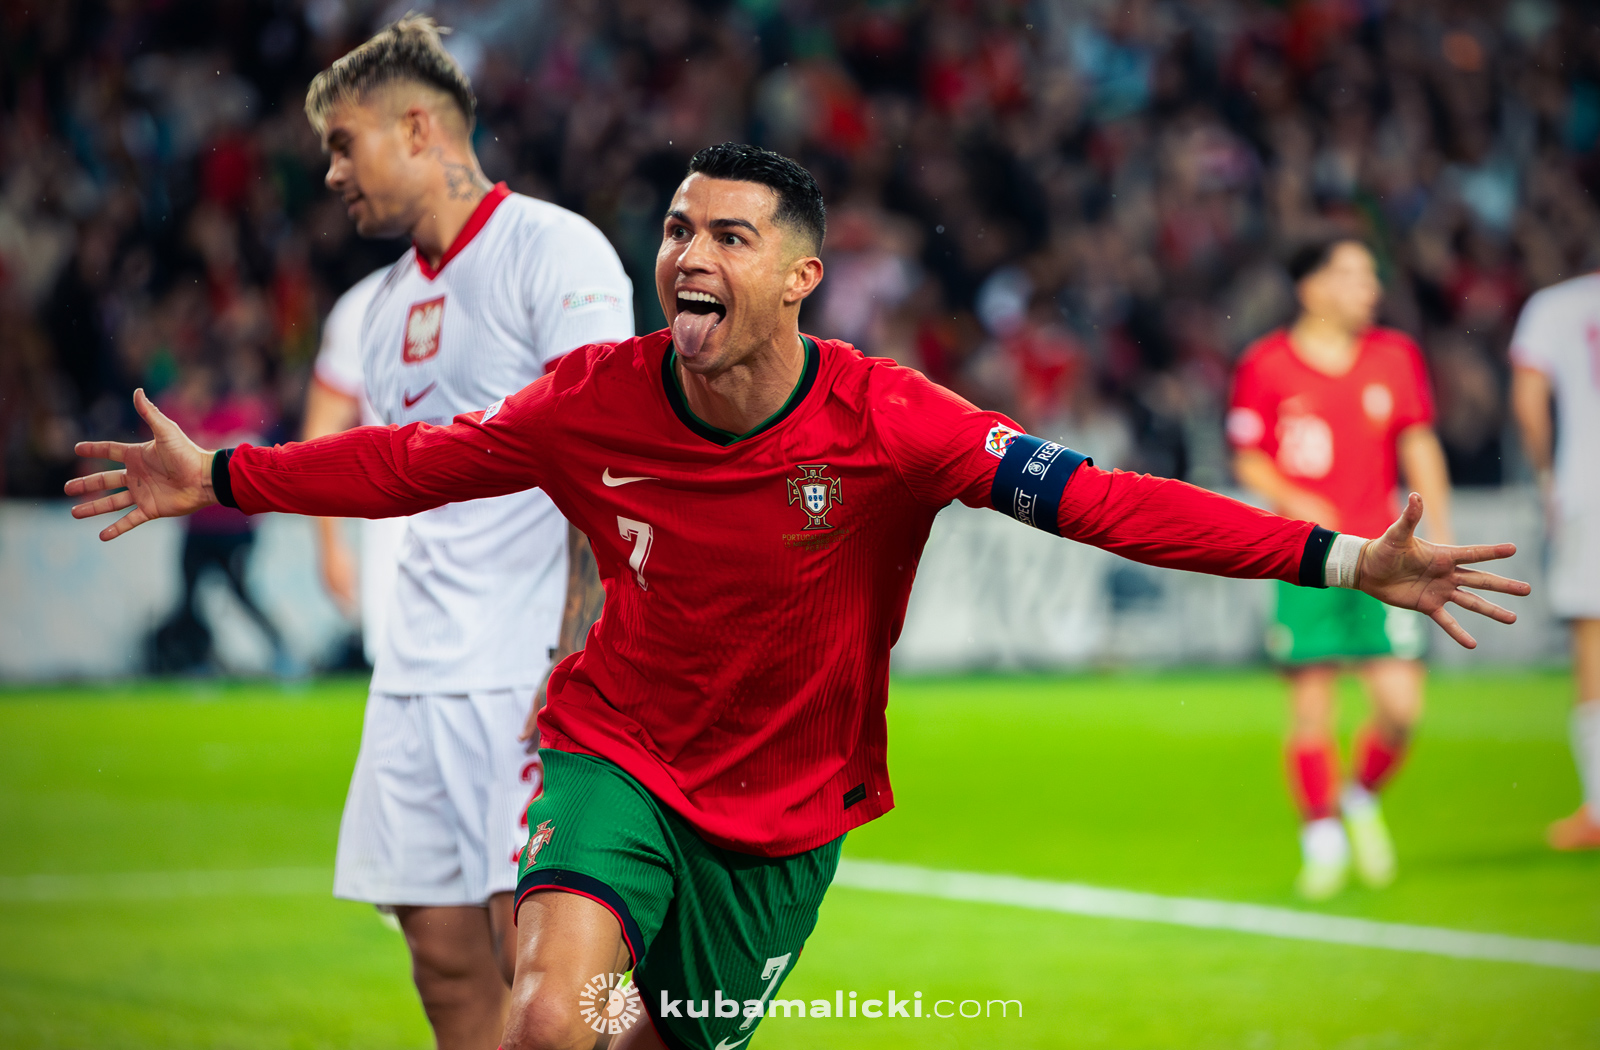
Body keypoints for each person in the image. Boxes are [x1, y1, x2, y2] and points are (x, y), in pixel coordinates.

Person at [68, 144, 1528, 1050]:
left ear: (803, 276)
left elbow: (1103, 500)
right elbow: (418, 460)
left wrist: (1342, 555)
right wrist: (232, 477)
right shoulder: (594, 399)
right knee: (543, 1008)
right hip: (613, 756)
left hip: (787, 805)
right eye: (680, 232)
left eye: (729, 237)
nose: (689, 256)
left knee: (621, 1033)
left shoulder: (895, 420)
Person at [298, 18, 633, 1050]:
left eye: (343, 145)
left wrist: (580, 652)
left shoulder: (554, 249)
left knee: (553, 978)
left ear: (416, 129)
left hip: (523, 666)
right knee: (443, 962)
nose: (330, 174)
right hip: (414, 676)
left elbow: (608, 463)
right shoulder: (384, 304)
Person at [1227, 237, 1456, 900]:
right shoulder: (1266, 363)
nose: (1370, 288)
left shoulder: (1395, 355)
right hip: (1307, 557)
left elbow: (1419, 443)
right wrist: (1298, 500)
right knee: (1312, 703)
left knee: (1402, 708)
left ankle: (1359, 797)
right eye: (1353, 275)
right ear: (1312, 288)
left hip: (1385, 556)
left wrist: (1441, 531)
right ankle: (1321, 839)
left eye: (1371, 275)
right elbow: (1248, 457)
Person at [1509, 271, 1600, 850]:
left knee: (1593, 647)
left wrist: (1546, 477)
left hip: (1589, 491)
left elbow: (1528, 401)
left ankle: (1598, 808)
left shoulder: (1558, 304)